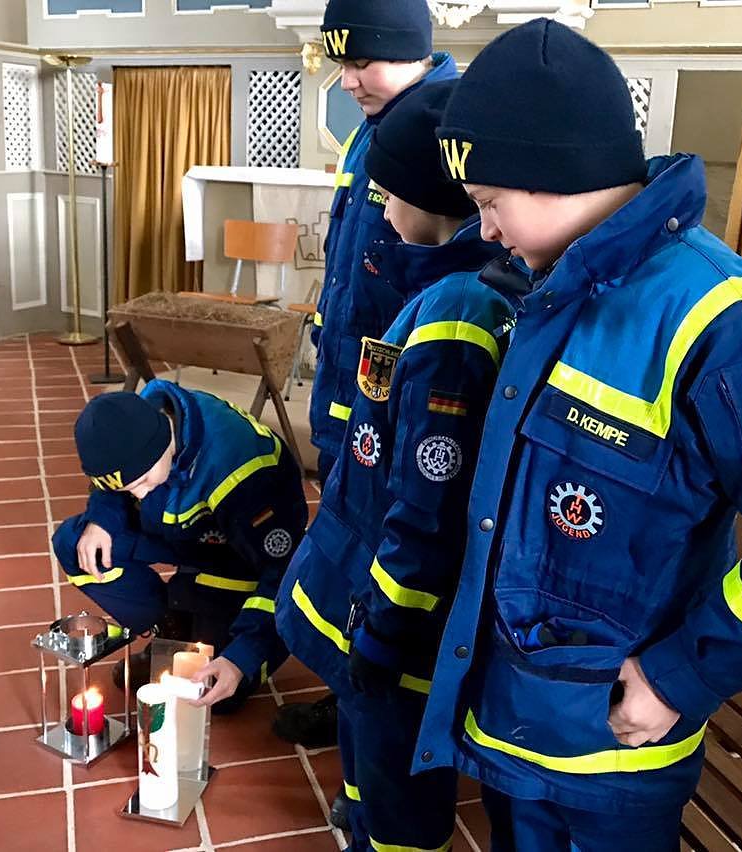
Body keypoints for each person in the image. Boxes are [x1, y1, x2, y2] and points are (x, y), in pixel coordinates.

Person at [412, 18, 742, 851]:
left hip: (615, 752)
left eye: (490, 202)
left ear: (553, 173)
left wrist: (681, 676)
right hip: (516, 720)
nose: (485, 230)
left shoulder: (722, 319)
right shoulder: (545, 289)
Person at [276, 80, 523, 852]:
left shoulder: (458, 316)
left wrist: (386, 626)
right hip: (369, 587)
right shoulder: (429, 288)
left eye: (388, 196)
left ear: (442, 206)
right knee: (367, 762)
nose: (379, 214)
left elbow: (428, 501)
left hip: (401, 616)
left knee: (398, 786)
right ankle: (363, 822)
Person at [273, 0, 459, 769]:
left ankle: (385, 714)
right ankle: (348, 686)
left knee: (392, 561)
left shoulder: (445, 130)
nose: (347, 81)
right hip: (349, 395)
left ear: (414, 51)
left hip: (402, 408)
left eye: (362, 63)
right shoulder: (368, 132)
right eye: (339, 62)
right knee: (348, 554)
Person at [52, 382, 307, 712]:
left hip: (242, 554)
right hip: (185, 533)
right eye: (129, 489)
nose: (139, 495)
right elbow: (114, 484)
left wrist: (241, 658)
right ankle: (168, 627)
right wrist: (101, 520)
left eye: (142, 481)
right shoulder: (137, 422)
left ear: (160, 445)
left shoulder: (243, 471)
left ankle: (212, 626)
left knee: (216, 693)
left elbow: (284, 574)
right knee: (75, 545)